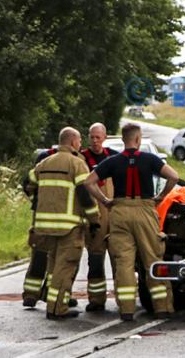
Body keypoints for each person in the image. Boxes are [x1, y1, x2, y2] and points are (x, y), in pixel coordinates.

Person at [83, 123, 183, 321]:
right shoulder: (149, 159)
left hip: (119, 212)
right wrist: (161, 196)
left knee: (124, 263)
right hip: (145, 210)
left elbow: (88, 182)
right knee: (152, 259)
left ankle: (126, 310)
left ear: (123, 139)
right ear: (138, 139)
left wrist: (105, 200)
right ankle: (162, 307)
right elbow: (174, 176)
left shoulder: (112, 161)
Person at [30, 127, 100, 319]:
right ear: (72, 142)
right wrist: (94, 219)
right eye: (78, 141)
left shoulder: (44, 163)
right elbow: (85, 196)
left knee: (53, 265)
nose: (80, 145)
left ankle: (52, 304)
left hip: (45, 226)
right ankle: (57, 308)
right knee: (66, 265)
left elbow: (27, 183)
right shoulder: (77, 164)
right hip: (69, 226)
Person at [79, 123, 118, 311]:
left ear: (105, 137)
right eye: (92, 137)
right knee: (95, 258)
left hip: (115, 216)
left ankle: (123, 298)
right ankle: (96, 299)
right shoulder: (81, 159)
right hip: (94, 216)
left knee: (119, 259)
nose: (95, 141)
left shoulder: (114, 157)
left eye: (98, 137)